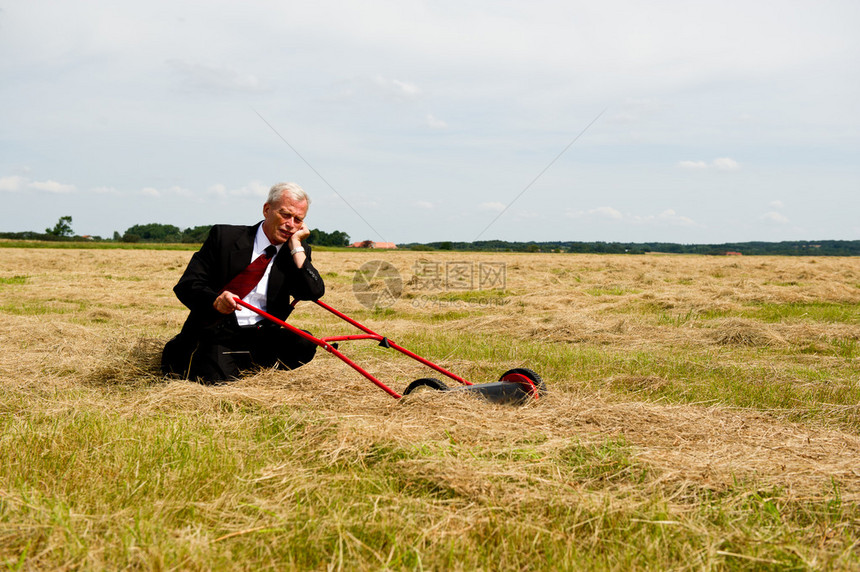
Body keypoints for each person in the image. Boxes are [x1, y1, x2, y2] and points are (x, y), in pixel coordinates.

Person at [161, 182, 325, 383]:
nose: (291, 224)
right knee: (220, 381)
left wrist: (297, 247)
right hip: (218, 332)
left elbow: (313, 292)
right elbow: (188, 285)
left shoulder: (295, 251)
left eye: (298, 219)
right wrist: (216, 301)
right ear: (267, 210)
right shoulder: (224, 237)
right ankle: (208, 361)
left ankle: (244, 364)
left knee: (304, 343)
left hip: (262, 336)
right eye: (285, 214)